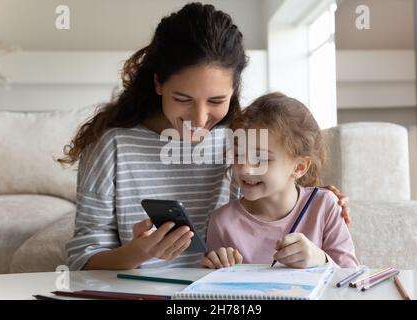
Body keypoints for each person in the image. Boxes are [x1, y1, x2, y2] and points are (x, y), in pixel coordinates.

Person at [58, 3, 350, 271]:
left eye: (215, 100)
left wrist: (317, 201)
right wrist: (137, 253)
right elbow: (83, 259)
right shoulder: (112, 147)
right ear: (158, 82)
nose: (199, 120)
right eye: (183, 98)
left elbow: (273, 200)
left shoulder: (239, 141)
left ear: (234, 90)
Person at [201, 93, 359, 269]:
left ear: (299, 167)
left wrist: (320, 259)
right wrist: (216, 265)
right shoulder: (222, 221)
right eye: (239, 155)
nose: (245, 168)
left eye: (260, 159)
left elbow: (350, 278)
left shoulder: (324, 206)